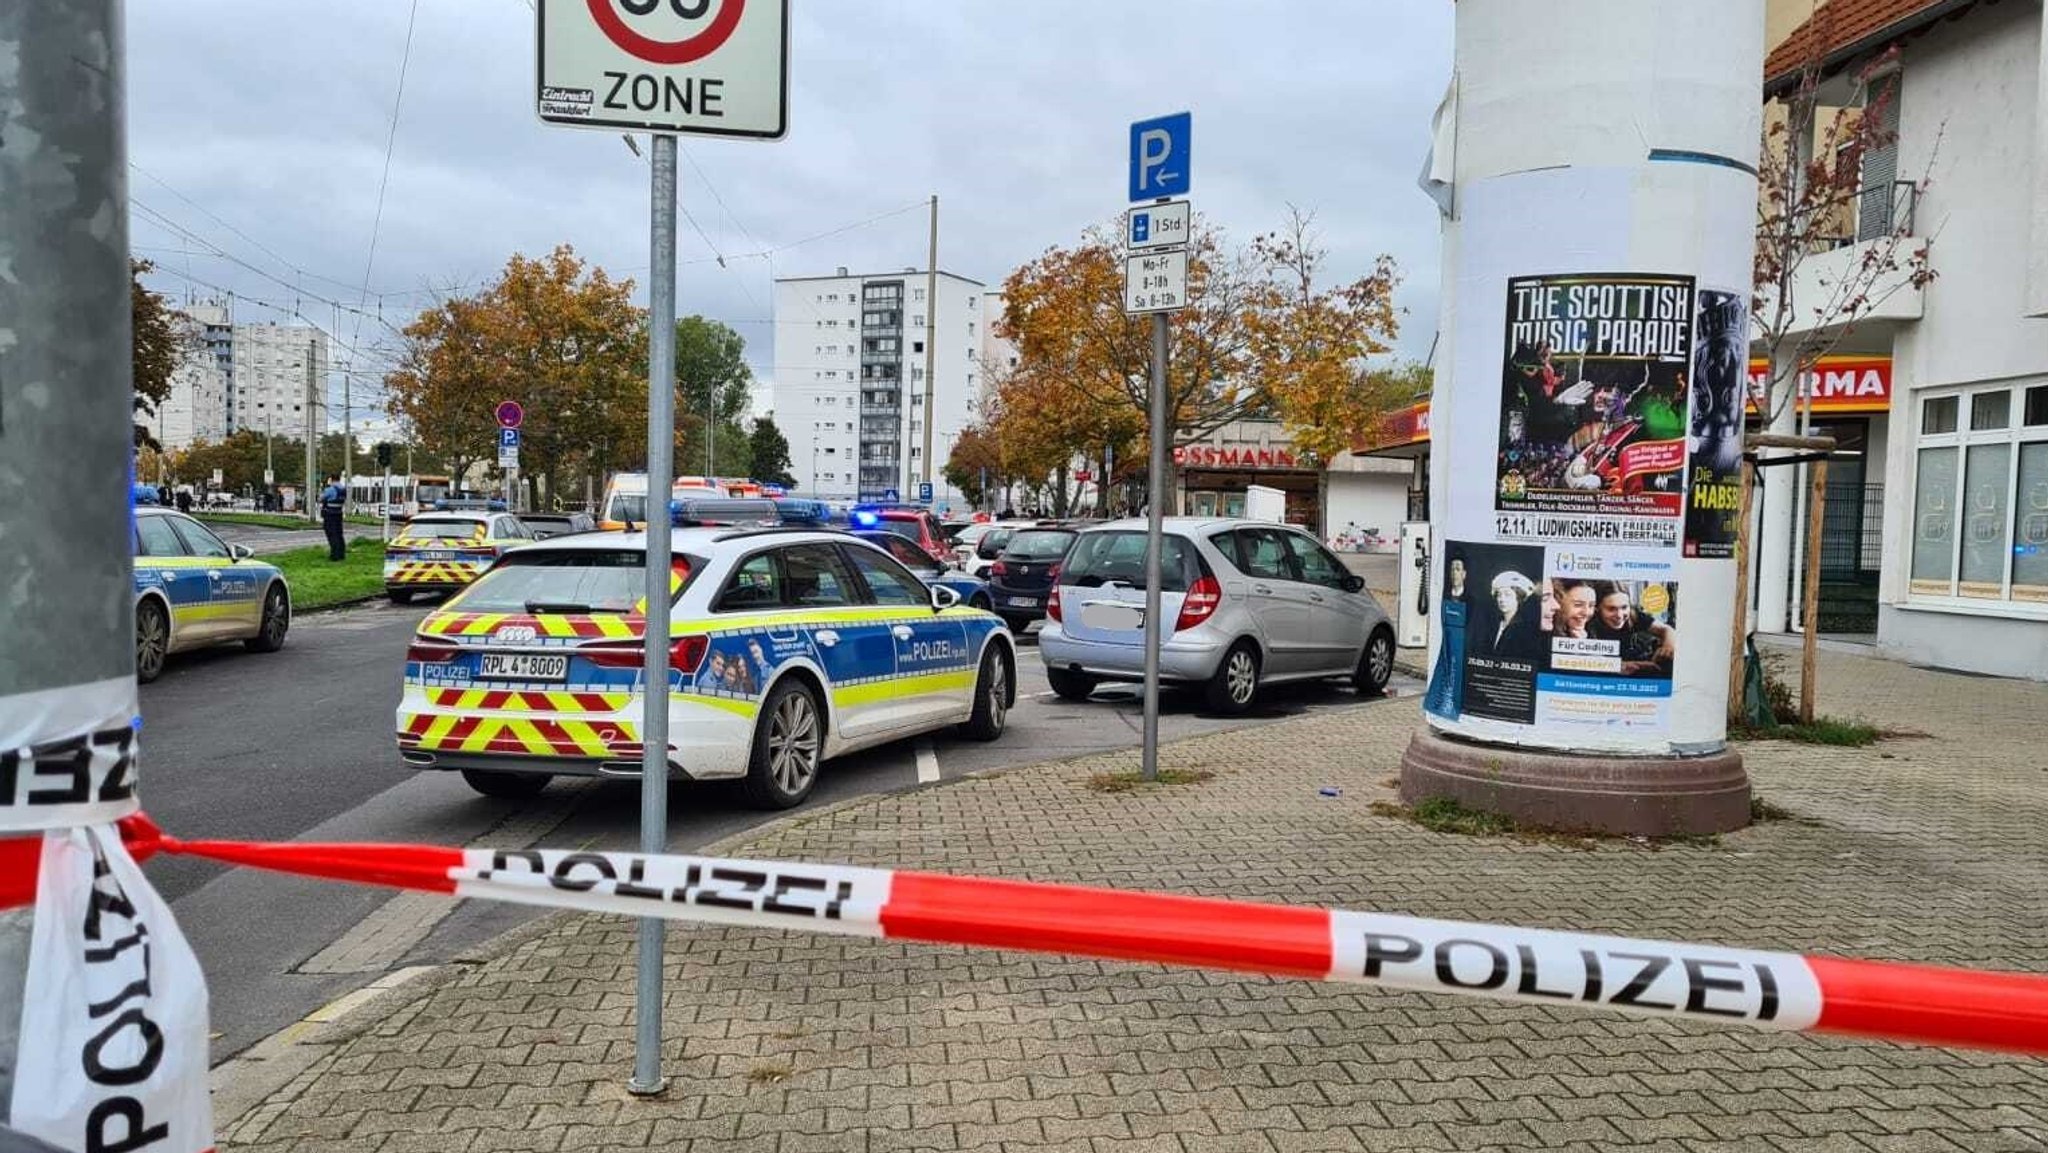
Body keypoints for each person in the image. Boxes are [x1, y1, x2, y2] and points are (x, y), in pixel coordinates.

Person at [1590, 581, 1675, 677]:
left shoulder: (1633, 615)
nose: (1619, 615)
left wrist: (1668, 646)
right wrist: (1618, 666)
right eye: (1611, 609)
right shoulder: (1587, 624)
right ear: (1597, 608)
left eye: (1624, 607)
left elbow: (1667, 629)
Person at [1422, 550, 1469, 719]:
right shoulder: (1444, 595)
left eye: (1457, 569)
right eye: (1451, 569)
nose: (1454, 573)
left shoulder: (1469, 598)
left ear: (1464, 574)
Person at [1475, 571, 1536, 657]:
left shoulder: (1526, 629)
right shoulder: (1493, 625)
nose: (1502, 599)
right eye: (1499, 595)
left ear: (1518, 598)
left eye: (1507, 595)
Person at [319, 473, 347, 561]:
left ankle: (334, 555)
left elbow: (321, 498)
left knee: (332, 534)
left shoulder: (330, 489)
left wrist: (326, 487)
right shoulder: (343, 488)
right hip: (339, 513)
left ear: (331, 479)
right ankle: (341, 554)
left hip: (330, 514)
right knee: (339, 534)